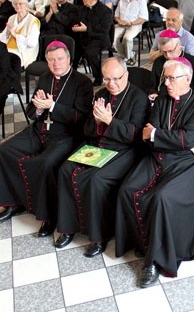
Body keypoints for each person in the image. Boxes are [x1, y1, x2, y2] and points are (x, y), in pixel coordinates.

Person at [115, 57, 194, 288]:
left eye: (172, 78)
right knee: (127, 189)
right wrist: (178, 140)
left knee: (162, 198)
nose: (166, 83)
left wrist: (168, 138)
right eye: (165, 78)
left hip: (189, 163)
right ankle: (138, 243)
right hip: (159, 156)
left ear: (187, 79)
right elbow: (149, 134)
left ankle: (155, 262)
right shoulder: (161, 101)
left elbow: (186, 137)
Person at [0, 41, 93, 237]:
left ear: (69, 59)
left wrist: (53, 106)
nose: (56, 64)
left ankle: (49, 217)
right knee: (4, 152)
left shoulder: (83, 82)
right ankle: (14, 202)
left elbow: (81, 118)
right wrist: (39, 108)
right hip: (40, 129)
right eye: (51, 60)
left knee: (45, 163)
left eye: (60, 59)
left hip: (66, 134)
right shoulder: (45, 78)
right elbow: (32, 111)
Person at [54, 57, 149, 257]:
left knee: (97, 180)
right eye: (106, 79)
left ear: (126, 75)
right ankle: (68, 227)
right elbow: (86, 130)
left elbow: (137, 135)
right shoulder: (101, 94)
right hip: (97, 145)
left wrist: (110, 121)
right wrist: (97, 122)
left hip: (125, 150)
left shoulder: (139, 98)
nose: (111, 84)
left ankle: (99, 237)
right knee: (65, 170)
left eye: (116, 79)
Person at [74, 0, 114, 85]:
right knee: (72, 48)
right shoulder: (82, 9)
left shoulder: (105, 11)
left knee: (90, 52)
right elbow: (79, 22)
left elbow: (103, 29)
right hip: (84, 37)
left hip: (99, 38)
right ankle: (72, 76)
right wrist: (77, 26)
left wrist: (87, 29)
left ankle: (98, 77)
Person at [149, 30, 194, 100]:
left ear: (179, 45)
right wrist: (153, 93)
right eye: (164, 52)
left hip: (185, 101)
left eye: (170, 51)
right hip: (160, 100)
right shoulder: (158, 61)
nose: (168, 55)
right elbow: (153, 85)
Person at [113, 0, 148, 67]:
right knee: (114, 38)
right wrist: (119, 21)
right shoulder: (122, 1)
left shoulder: (141, 1)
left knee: (127, 38)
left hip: (135, 24)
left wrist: (131, 23)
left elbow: (143, 18)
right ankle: (129, 55)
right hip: (122, 24)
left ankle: (127, 58)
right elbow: (116, 16)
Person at [0, 0, 40, 68]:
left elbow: (32, 43)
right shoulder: (12, 18)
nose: (18, 6)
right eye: (15, 4)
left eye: (20, 4)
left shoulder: (33, 21)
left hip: (24, 50)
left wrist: (14, 34)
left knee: (5, 60)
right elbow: (3, 35)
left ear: (26, 6)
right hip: (8, 47)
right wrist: (7, 33)